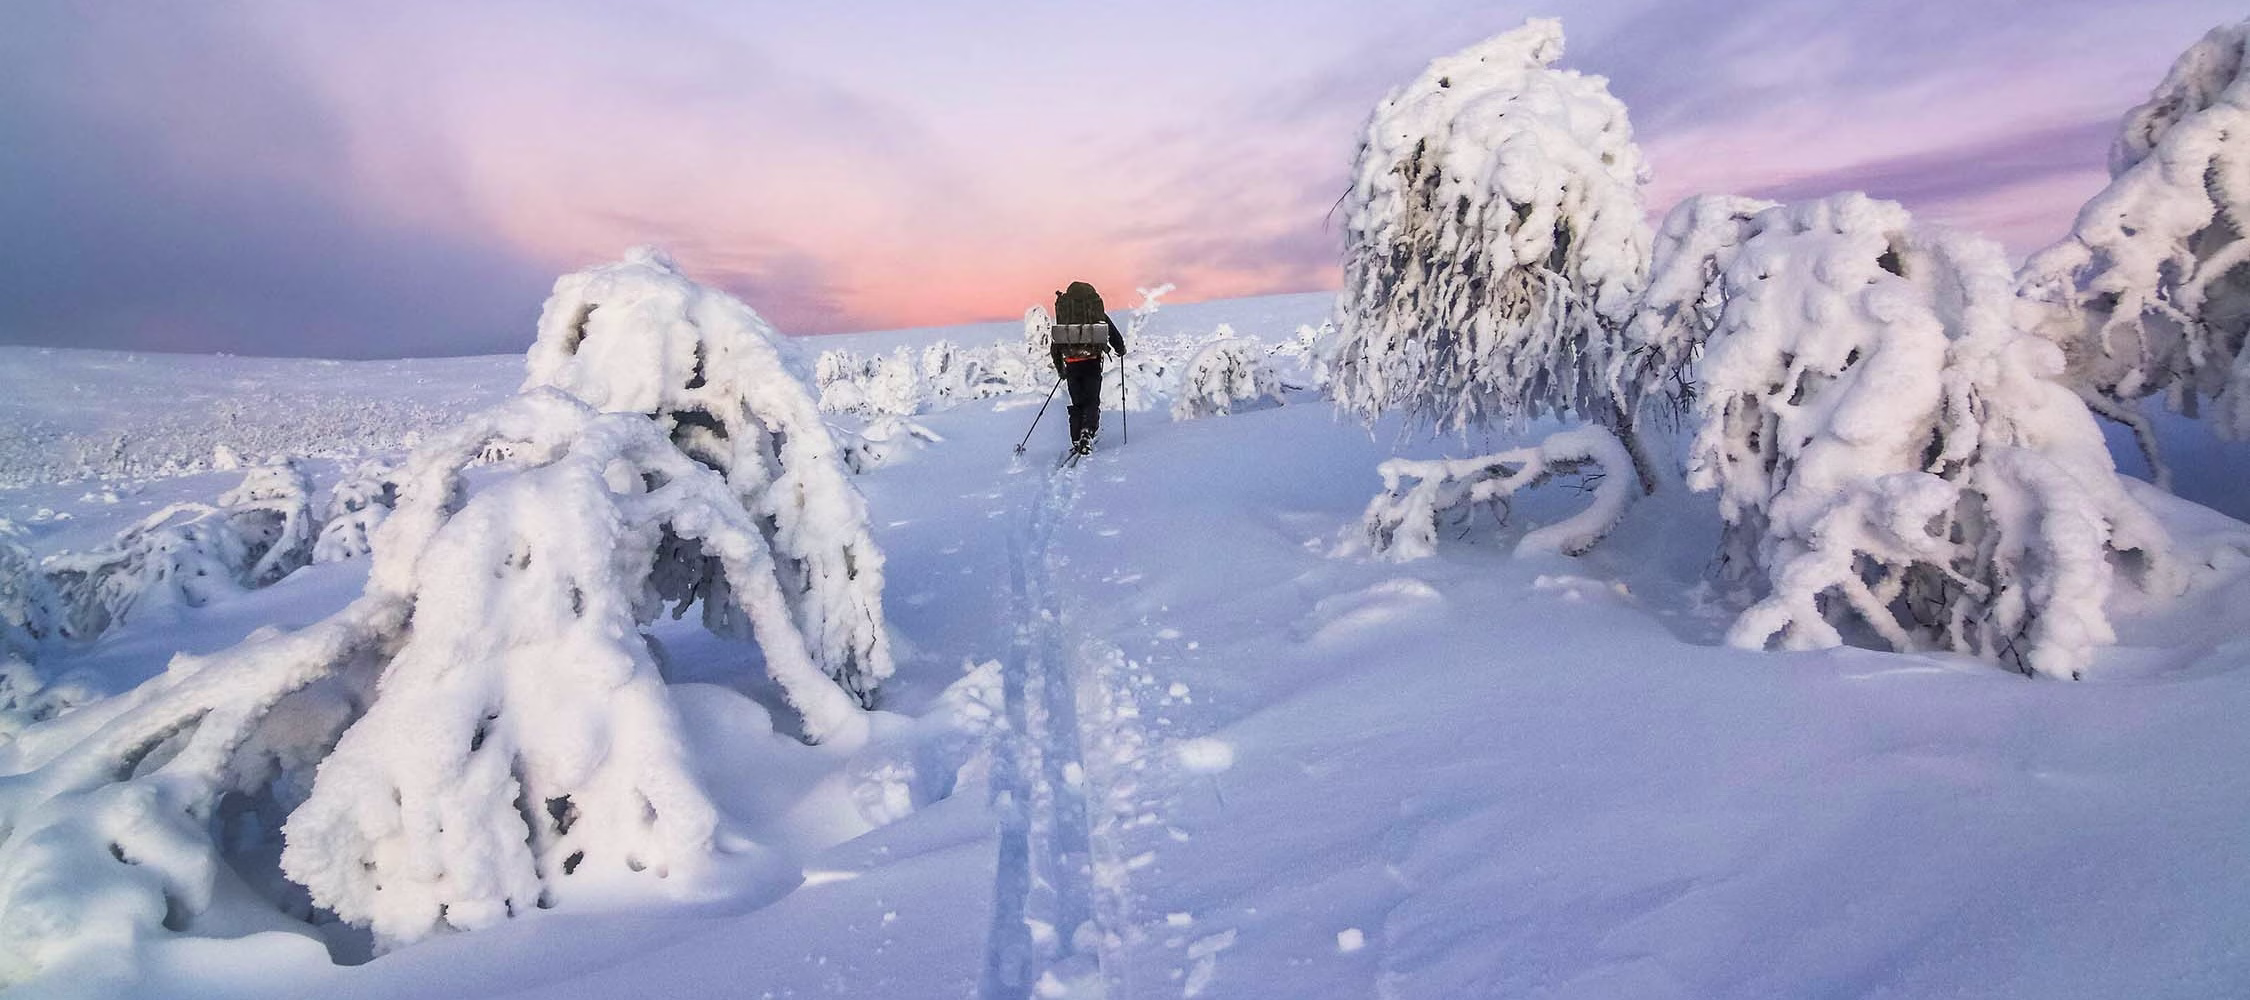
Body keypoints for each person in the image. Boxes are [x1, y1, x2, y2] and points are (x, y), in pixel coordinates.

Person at [1050, 280, 1127, 455]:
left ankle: (1077, 438)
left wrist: (1060, 368)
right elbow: (1112, 332)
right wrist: (1120, 348)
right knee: (1092, 399)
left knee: (1077, 402)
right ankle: (1088, 432)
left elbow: (1056, 343)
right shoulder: (1094, 311)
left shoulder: (1066, 314)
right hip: (1092, 361)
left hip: (1071, 363)